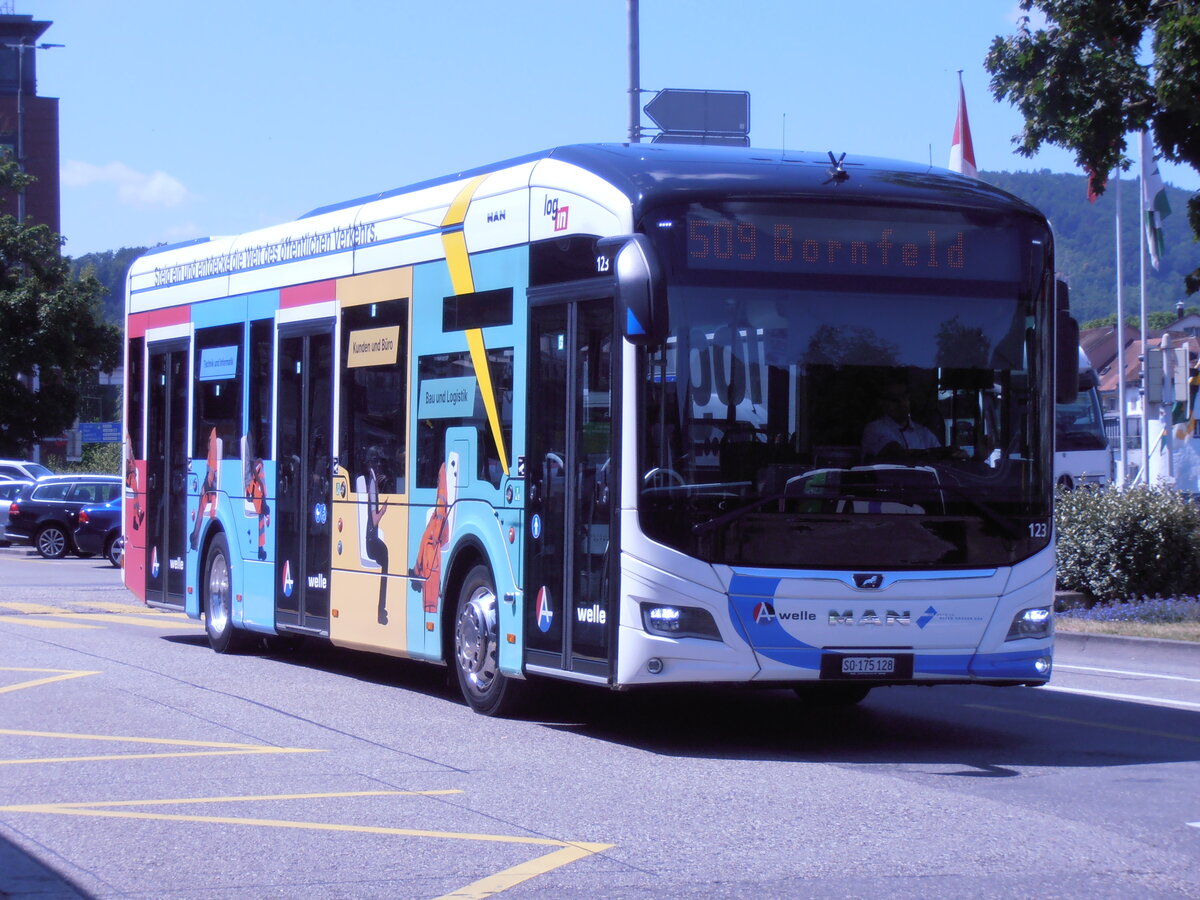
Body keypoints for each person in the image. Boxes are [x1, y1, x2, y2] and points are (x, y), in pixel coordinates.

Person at [861, 382, 941, 460]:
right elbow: (897, 455)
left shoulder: (924, 433)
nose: (901, 403)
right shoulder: (874, 428)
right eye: (894, 399)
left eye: (904, 397)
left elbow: (941, 456)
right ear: (882, 403)